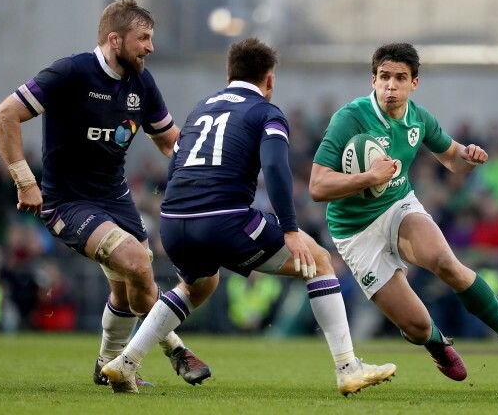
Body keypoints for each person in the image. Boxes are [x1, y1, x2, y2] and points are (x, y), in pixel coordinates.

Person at [101, 37, 397, 395]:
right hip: (224, 218)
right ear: (269, 80)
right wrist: (289, 229)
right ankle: (349, 368)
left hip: (174, 222)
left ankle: (125, 361)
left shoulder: (201, 108)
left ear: (229, 74)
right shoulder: (266, 112)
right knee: (319, 260)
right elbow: (274, 167)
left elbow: (176, 161)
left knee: (197, 286)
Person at [0, 0, 211, 388]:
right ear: (115, 39)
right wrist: (25, 180)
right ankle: (175, 349)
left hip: (115, 197)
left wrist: (208, 169)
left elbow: (168, 141)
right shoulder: (71, 72)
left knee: (127, 291)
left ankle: (108, 365)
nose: (150, 47)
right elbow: (3, 117)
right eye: (143, 38)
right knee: (138, 262)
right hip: (68, 202)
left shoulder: (142, 82)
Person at [308, 42, 498, 381]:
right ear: (373, 79)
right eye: (383, 77)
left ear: (414, 83)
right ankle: (438, 343)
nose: (390, 85)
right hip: (354, 232)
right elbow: (317, 187)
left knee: (445, 262)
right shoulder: (349, 119)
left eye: (399, 78)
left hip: (398, 207)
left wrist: (469, 158)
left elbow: (453, 160)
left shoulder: (418, 119)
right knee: (417, 326)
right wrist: (368, 177)